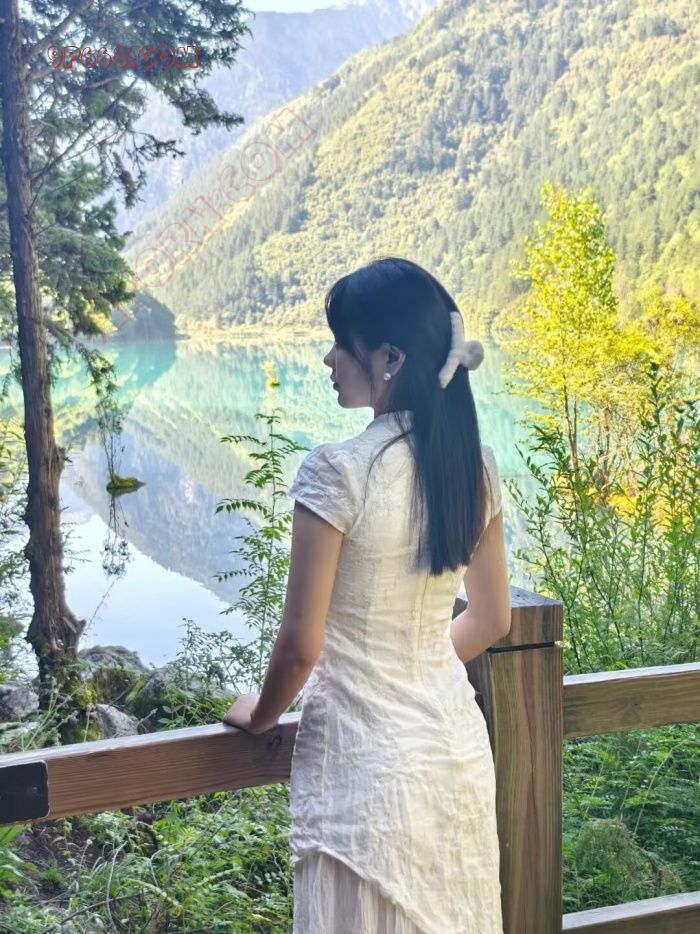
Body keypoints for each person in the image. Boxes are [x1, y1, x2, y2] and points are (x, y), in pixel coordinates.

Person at [223, 257, 510, 932]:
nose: (328, 359)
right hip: (454, 758)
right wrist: (410, 667)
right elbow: (492, 619)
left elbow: (301, 645)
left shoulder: (338, 471)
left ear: (388, 358)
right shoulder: (475, 467)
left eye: (340, 343)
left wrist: (260, 715)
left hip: (365, 772)